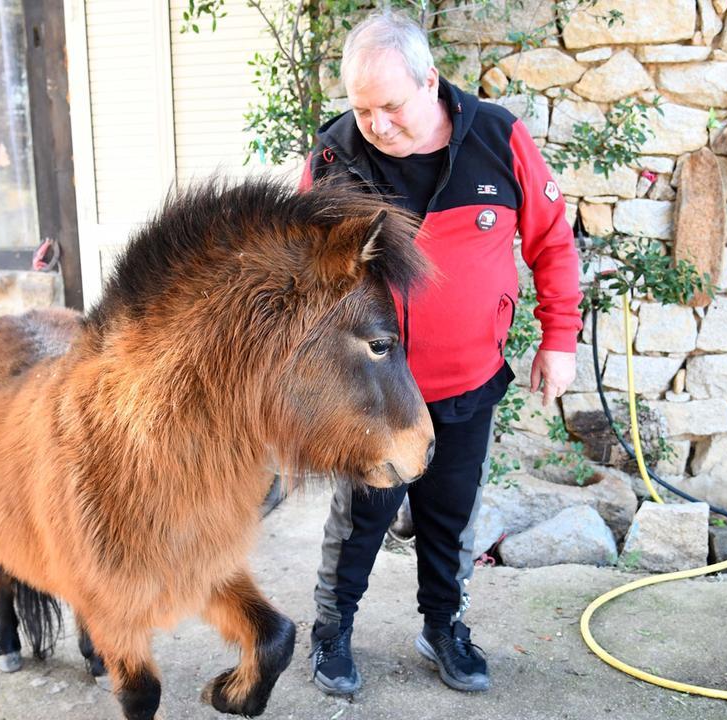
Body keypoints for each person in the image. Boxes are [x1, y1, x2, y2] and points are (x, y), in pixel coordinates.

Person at [298, 11, 582, 696]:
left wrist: (560, 339)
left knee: (450, 513)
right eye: (362, 109)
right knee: (362, 516)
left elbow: (552, 243)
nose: (376, 124)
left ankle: (443, 626)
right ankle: (332, 632)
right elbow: (297, 276)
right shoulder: (334, 158)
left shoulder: (496, 137)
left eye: (391, 106)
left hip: (467, 380)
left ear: (430, 81)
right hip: (372, 395)